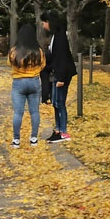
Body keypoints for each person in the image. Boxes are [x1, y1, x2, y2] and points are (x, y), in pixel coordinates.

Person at [40, 12, 77, 142]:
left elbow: (61, 58)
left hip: (62, 74)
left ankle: (63, 132)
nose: (43, 25)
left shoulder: (60, 36)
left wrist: (61, 78)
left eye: (44, 22)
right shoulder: (56, 36)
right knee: (56, 103)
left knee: (59, 103)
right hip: (57, 72)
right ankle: (58, 130)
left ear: (50, 22)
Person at [8, 23, 45, 148]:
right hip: (34, 81)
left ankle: (16, 140)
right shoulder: (38, 51)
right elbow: (43, 65)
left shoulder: (14, 50)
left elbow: (9, 63)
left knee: (18, 113)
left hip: (18, 82)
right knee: (34, 112)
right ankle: (34, 138)